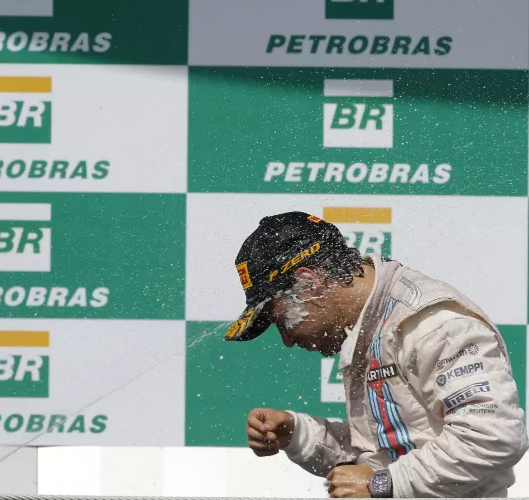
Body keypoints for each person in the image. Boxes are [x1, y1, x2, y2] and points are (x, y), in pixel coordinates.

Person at [224, 211, 528, 498]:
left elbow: (494, 437)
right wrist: (297, 432)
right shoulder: (370, 323)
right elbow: (382, 451)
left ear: (309, 282)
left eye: (281, 320)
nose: (287, 340)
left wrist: (382, 484)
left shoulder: (432, 325)